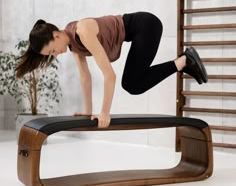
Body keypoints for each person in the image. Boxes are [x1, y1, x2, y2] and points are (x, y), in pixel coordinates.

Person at [16, 12, 208, 128]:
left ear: (56, 35)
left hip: (146, 26)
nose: (56, 55)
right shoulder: (73, 43)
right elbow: (85, 76)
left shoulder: (82, 31)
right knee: (133, 84)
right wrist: (87, 111)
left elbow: (109, 75)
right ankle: (185, 61)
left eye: (52, 50)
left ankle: (184, 61)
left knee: (132, 84)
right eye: (51, 55)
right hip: (138, 31)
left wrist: (105, 113)